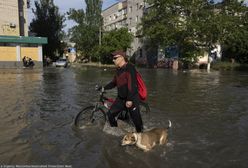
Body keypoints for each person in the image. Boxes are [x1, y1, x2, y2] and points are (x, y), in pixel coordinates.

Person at [101, 50, 143, 133]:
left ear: (121, 58)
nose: (113, 60)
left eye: (115, 58)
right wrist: (103, 88)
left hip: (131, 98)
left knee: (137, 121)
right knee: (110, 114)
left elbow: (132, 85)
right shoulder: (118, 70)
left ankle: (141, 135)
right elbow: (114, 83)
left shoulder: (130, 68)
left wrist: (130, 99)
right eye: (113, 58)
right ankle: (116, 132)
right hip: (120, 99)